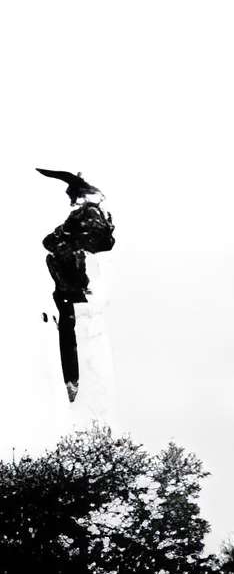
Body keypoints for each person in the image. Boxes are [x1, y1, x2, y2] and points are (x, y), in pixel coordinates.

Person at [36, 170, 114, 404]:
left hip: (77, 287)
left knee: (70, 328)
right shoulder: (93, 216)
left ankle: (72, 382)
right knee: (70, 327)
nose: (71, 202)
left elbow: (51, 241)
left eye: (73, 197)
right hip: (76, 287)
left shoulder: (86, 216)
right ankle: (72, 382)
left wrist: (63, 242)